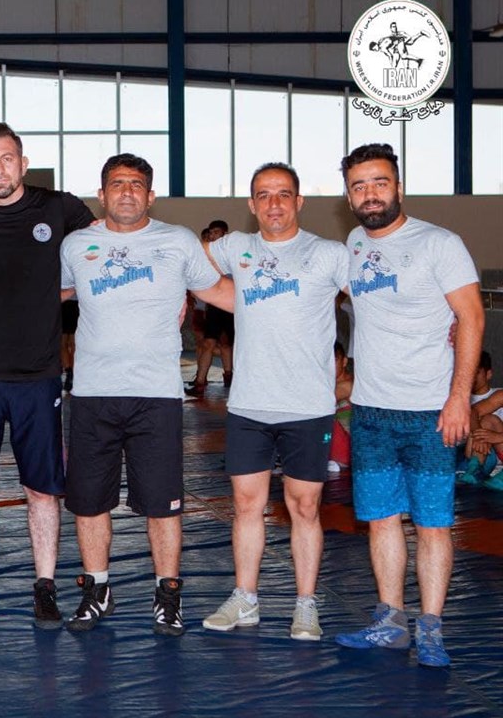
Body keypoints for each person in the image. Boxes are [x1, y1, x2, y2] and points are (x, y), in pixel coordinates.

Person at [60, 153, 233, 636]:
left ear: (151, 196)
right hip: (93, 393)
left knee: (162, 504)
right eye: (117, 184)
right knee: (89, 502)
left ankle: (167, 594)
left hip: (155, 395)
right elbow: (44, 294)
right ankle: (97, 589)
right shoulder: (76, 245)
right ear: (102, 194)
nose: (127, 192)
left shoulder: (178, 241)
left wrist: (294, 299)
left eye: (136, 184)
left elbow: (220, 292)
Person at [333, 143, 483, 668]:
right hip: (372, 411)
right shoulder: (354, 243)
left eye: (379, 182)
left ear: (399, 186)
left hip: (430, 412)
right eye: (359, 186)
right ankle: (391, 623)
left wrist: (459, 398)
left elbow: (471, 317)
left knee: (433, 523)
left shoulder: (439, 243)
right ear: (348, 195)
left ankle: (432, 628)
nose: (370, 194)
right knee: (381, 520)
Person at [0, 121, 95, 629]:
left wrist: (55, 296)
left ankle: (45, 588)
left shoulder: (59, 208)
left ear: (23, 163)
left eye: (7, 159)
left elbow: (104, 247)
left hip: (38, 374)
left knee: (42, 490)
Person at [199, 162, 349, 642]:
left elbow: (375, 303)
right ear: (252, 204)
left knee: (304, 507)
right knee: (246, 505)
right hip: (249, 404)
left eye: (283, 194)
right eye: (264, 195)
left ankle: (306, 603)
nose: (274, 203)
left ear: (299, 201)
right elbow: (182, 263)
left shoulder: (328, 253)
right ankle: (245, 597)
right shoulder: (235, 247)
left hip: (307, 406)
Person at [186, 221, 234, 396]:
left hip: (231, 305)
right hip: (213, 306)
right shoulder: (206, 254)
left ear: (224, 234)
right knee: (208, 343)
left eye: (216, 232)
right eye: (211, 232)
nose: (212, 235)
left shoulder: (233, 252)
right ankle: (200, 382)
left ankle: (229, 377)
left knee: (227, 344)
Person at [459, 351, 503, 487]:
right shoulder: (500, 395)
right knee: (488, 420)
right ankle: (475, 469)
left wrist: (498, 437)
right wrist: (478, 433)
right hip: (486, 452)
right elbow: (474, 411)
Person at [329, 342, 354, 473]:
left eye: (334, 360)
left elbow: (321, 400)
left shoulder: (348, 384)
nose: (329, 365)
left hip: (347, 452)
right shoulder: (328, 384)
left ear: (344, 361)